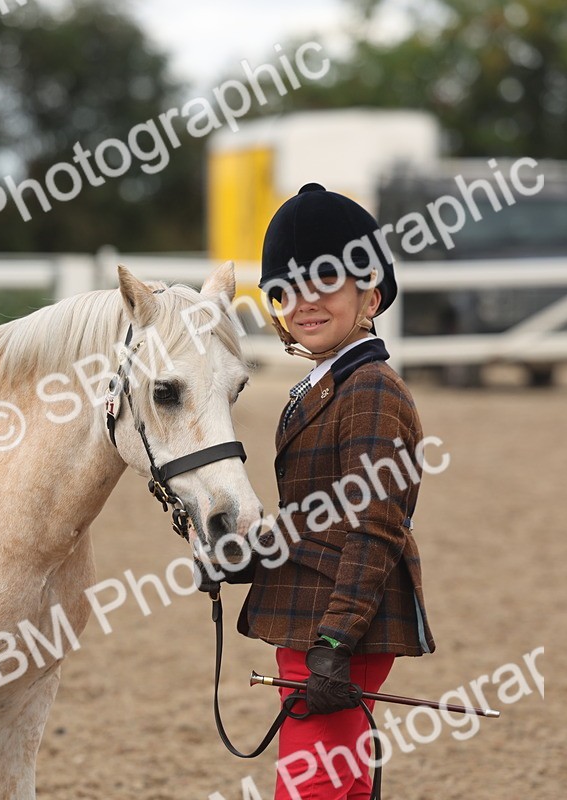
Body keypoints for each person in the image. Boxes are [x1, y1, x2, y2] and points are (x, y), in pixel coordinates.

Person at [238, 183, 436, 800]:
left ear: (370, 294)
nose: (304, 302)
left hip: (338, 625)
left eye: (325, 283)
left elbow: (375, 526)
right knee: (340, 782)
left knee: (312, 787)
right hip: (317, 619)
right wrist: (247, 554)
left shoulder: (370, 390)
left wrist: (334, 640)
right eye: (287, 290)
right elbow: (316, 516)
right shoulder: (324, 385)